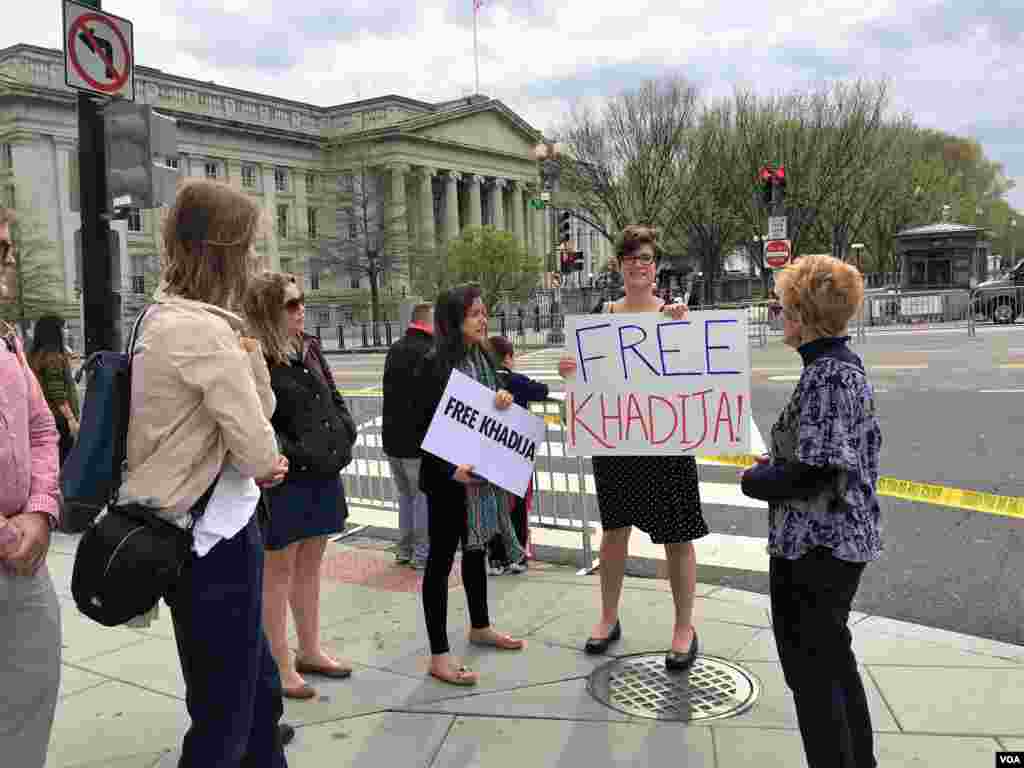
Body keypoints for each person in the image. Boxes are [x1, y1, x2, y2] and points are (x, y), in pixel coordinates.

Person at [116, 180, 291, 767]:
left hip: (197, 531)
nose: (256, 261)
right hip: (212, 538)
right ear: (225, 250)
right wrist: (266, 459)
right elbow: (259, 446)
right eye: (250, 248)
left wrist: (245, 351)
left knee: (258, 699)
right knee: (225, 716)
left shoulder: (164, 317)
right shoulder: (200, 329)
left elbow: (256, 414)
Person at [741, 254, 881, 768]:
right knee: (834, 665)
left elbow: (816, 474)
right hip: (837, 544)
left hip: (817, 547)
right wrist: (780, 460)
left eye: (783, 307)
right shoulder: (841, 367)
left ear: (802, 315)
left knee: (813, 678)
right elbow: (824, 455)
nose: (779, 315)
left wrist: (756, 479)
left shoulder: (826, 375)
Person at [558, 225, 706, 670]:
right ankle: (607, 617)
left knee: (677, 534)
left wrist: (686, 333)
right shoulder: (600, 316)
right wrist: (570, 369)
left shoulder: (674, 316)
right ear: (619, 265)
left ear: (655, 266)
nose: (639, 266)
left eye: (646, 258)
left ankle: (684, 626)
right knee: (615, 530)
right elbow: (583, 379)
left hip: (666, 441)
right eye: (631, 259)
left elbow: (697, 375)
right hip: (618, 440)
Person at [243, 271, 357, 700]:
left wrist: (345, 431)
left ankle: (310, 650)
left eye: (301, 301)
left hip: (323, 472)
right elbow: (257, 421)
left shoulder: (308, 348)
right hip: (287, 478)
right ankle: (281, 663)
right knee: (279, 573)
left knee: (311, 566)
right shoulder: (255, 356)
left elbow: (333, 397)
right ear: (269, 311)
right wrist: (295, 453)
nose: (301, 309)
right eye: (291, 304)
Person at [413, 284, 525, 686]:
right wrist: (449, 470)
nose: (483, 319)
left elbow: (488, 409)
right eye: (475, 313)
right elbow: (419, 427)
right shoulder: (434, 363)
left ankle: (480, 625)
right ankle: (439, 655)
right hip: (447, 481)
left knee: (475, 550)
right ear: (454, 318)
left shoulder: (482, 357)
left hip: (479, 477)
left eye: (484, 311)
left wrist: (503, 400)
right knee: (441, 562)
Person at [0, 206, 62, 768]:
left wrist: (40, 512)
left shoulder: (7, 338)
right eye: (0, 247)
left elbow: (42, 428)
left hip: (22, 556)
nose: (11, 258)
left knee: (30, 694)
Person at [485, 334, 549, 574]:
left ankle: (495, 558)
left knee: (491, 505)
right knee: (517, 507)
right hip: (515, 452)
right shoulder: (517, 382)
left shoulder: (482, 381)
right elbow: (542, 390)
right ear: (508, 357)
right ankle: (517, 556)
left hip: (488, 452)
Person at [383, 302, 434, 569]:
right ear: (428, 322)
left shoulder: (395, 349)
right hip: (417, 441)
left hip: (392, 439)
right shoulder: (429, 351)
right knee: (421, 497)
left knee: (405, 496)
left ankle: (404, 549)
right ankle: (422, 553)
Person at [28, 314, 80, 466]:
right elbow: (57, 392)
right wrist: (71, 419)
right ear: (54, 332)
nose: (66, 331)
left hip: (42, 418)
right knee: (64, 462)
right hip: (59, 420)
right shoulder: (53, 357)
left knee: (48, 463)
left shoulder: (35, 354)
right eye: (63, 328)